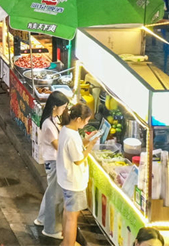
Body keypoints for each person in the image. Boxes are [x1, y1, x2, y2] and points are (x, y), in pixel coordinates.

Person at [57, 103, 97, 246]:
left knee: (68, 213)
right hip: (73, 182)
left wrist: (88, 140)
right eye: (86, 120)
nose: (87, 123)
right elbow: (79, 160)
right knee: (72, 217)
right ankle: (69, 243)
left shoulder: (66, 130)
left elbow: (78, 147)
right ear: (79, 119)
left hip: (65, 179)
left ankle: (65, 241)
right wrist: (91, 147)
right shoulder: (72, 137)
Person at [35, 91, 70, 240]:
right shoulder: (48, 125)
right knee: (54, 195)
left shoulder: (53, 119)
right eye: (63, 107)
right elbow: (59, 146)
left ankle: (42, 219)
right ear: (55, 106)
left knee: (50, 193)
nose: (64, 110)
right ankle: (50, 229)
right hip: (53, 162)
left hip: (53, 161)